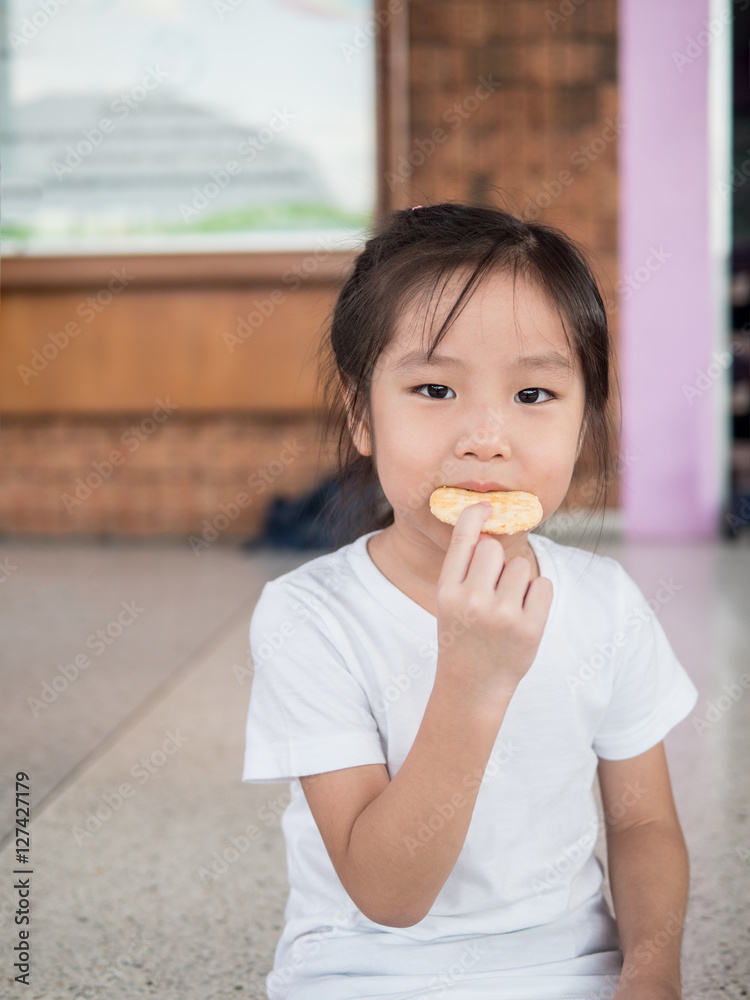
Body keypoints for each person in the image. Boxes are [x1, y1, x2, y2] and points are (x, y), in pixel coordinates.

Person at [241, 202, 699, 1000]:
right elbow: (388, 896)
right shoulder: (308, 617)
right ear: (361, 415)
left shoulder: (605, 602)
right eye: (433, 387)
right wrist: (473, 680)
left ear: (583, 414)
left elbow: (643, 825)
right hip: (365, 968)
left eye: (533, 395)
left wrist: (652, 975)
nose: (486, 437)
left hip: (569, 964)